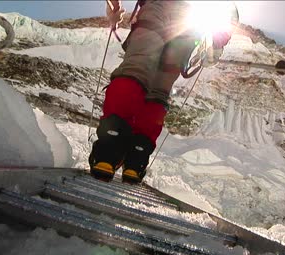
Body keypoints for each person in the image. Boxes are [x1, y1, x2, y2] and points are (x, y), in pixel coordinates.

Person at [89, 0, 237, 184]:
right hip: (187, 25)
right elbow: (228, 10)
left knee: (136, 68)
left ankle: (108, 152)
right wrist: (217, 44)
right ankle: (136, 160)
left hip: (156, 10)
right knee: (159, 91)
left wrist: (115, 7)